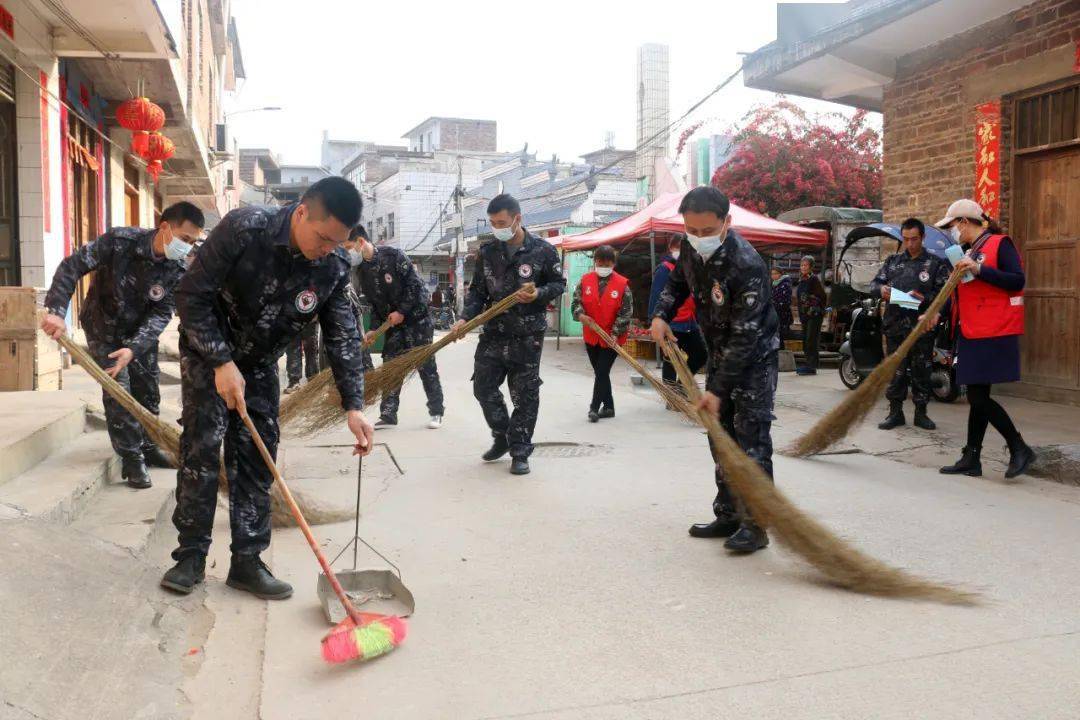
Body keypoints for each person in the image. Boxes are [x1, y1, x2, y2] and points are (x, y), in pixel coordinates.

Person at [160, 177, 374, 599]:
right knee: (202, 448)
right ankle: (190, 556)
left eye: (338, 242)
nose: (327, 248)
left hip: (259, 364)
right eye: (323, 237)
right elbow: (191, 295)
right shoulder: (246, 228)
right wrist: (221, 361)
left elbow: (343, 336)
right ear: (300, 214)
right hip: (209, 350)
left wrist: (354, 405)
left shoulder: (330, 267)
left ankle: (247, 561)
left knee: (258, 457)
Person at [41, 202, 205, 489]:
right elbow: (72, 266)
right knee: (119, 391)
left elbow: (161, 312)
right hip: (103, 325)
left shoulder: (177, 269)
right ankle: (131, 459)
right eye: (185, 239)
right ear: (165, 227)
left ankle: (149, 446)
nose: (187, 247)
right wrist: (56, 309)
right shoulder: (120, 242)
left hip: (138, 335)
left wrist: (134, 348)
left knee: (148, 389)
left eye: (192, 242)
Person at [651, 187, 780, 553]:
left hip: (753, 360)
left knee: (751, 443)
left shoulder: (747, 265)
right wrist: (661, 314)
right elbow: (677, 283)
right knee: (719, 438)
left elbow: (746, 336)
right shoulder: (692, 247)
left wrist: (716, 389)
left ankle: (756, 526)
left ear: (727, 222)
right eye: (692, 230)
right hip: (720, 354)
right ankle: (728, 514)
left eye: (707, 232)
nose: (698, 238)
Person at [452, 193, 566, 476]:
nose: (497, 227)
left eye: (501, 222)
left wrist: (539, 293)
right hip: (493, 333)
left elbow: (558, 284)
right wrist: (465, 317)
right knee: (483, 387)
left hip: (527, 336)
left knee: (525, 395)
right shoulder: (489, 252)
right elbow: (478, 291)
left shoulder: (543, 250)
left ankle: (519, 450)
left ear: (517, 219)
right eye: (492, 223)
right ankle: (502, 435)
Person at [932, 199, 1035, 479]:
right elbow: (957, 292)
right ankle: (972, 457)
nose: (951, 232)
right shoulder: (967, 251)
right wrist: (936, 314)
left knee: (977, 396)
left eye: (952, 226)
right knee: (978, 395)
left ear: (964, 222)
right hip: (973, 330)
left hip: (994, 329)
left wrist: (979, 270)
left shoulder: (1000, 244)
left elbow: (1017, 280)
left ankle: (1019, 447)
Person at [352, 224, 445, 429]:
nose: (347, 251)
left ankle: (437, 411)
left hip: (417, 321)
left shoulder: (394, 256)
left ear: (360, 242)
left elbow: (415, 286)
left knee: (425, 366)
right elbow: (375, 304)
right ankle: (388, 414)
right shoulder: (362, 271)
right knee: (391, 364)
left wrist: (402, 311)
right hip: (393, 325)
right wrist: (374, 329)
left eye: (347, 246)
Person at [871, 218, 949, 431]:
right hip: (895, 326)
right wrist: (881, 291)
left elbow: (945, 294)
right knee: (895, 371)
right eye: (905, 239)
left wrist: (924, 298)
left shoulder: (935, 263)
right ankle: (895, 413)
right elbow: (874, 284)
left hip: (922, 328)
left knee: (921, 370)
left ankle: (921, 413)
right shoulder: (892, 261)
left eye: (914, 239)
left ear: (922, 238)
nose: (910, 244)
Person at [570, 244, 633, 422]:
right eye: (600, 262)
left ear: (613, 264)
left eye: (607, 263)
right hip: (591, 336)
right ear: (594, 261)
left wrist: (615, 333)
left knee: (602, 371)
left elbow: (626, 312)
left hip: (612, 338)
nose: (603, 266)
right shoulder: (585, 280)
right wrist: (581, 315)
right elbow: (576, 303)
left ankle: (594, 408)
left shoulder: (622, 285)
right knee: (601, 372)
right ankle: (610, 407)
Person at [647, 234, 707, 399]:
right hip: (671, 323)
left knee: (701, 354)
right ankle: (671, 397)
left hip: (689, 321)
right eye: (679, 248)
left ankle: (682, 384)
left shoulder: (691, 267)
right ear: (671, 248)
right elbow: (656, 294)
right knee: (670, 359)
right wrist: (654, 319)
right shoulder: (664, 268)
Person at [795, 255, 827, 375]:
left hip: (814, 315)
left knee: (811, 340)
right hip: (804, 315)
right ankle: (810, 364)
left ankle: (812, 366)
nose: (803, 267)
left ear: (811, 267)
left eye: (805, 265)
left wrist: (811, 305)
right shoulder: (802, 279)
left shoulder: (813, 279)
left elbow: (822, 296)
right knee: (805, 339)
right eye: (801, 265)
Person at [283, 319, 320, 394]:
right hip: (292, 318)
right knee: (293, 349)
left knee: (311, 349)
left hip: (311, 317)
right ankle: (294, 382)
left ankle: (313, 379)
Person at [770, 266, 793, 341]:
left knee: (781, 335)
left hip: (783, 314)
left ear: (781, 274)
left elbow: (786, 301)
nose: (773, 276)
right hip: (775, 313)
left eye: (776, 273)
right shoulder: (774, 284)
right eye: (772, 274)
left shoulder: (785, 284)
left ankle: (782, 350)